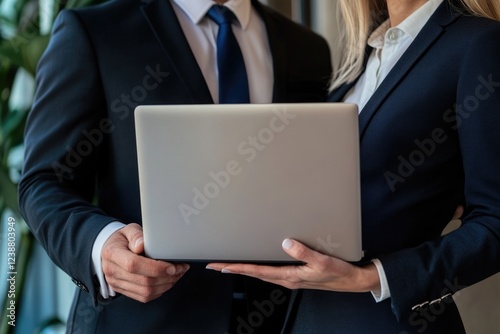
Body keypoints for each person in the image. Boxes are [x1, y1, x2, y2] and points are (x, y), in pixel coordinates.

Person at [18, 0, 332, 332]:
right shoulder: (95, 32)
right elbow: (44, 181)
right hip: (142, 320)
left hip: (281, 320)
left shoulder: (308, 49)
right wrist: (102, 244)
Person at [207, 0, 500, 332]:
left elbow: (495, 220)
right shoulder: (365, 53)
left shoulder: (480, 43)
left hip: (387, 320)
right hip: (307, 316)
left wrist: (373, 276)